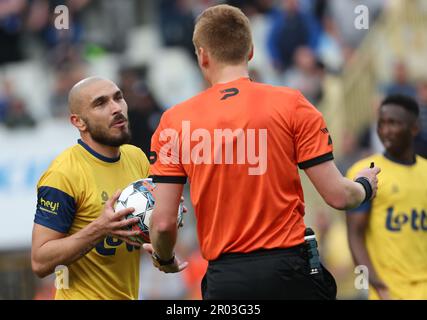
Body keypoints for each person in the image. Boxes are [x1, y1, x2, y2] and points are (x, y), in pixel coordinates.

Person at [143, 4, 380, 300]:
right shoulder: (292, 104)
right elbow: (339, 196)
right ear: (251, 50)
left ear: (202, 55)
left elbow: (163, 223)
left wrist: (164, 259)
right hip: (290, 272)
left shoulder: (173, 122)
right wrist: (366, 186)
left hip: (226, 279)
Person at [31, 77, 150, 300]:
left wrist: (162, 222)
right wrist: (100, 228)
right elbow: (39, 261)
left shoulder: (137, 158)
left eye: (118, 97)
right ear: (79, 122)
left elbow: (143, 235)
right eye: (100, 103)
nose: (116, 108)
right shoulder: (63, 173)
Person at [346, 94, 427, 300]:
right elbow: (355, 235)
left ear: (414, 128)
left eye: (394, 123)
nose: (385, 130)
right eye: (381, 124)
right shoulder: (366, 172)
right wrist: (370, 285)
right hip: (386, 292)